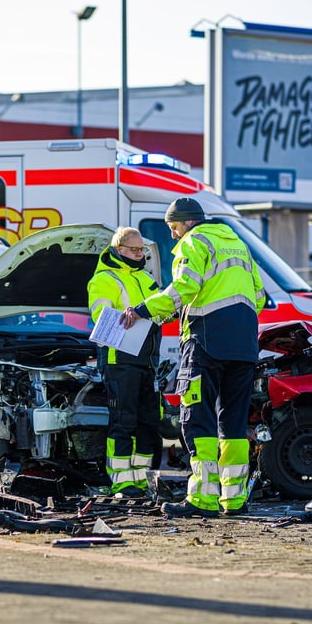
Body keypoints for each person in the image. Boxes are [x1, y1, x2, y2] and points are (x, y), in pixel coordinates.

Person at [122, 198, 265, 517]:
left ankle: (202, 499)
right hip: (244, 344)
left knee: (197, 418)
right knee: (233, 422)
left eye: (173, 228)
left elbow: (185, 288)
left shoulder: (194, 242)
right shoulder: (237, 245)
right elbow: (259, 295)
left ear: (186, 223)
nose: (173, 236)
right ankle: (234, 499)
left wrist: (144, 309)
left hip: (207, 342)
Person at [87, 226, 166, 498]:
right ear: (119, 250)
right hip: (120, 359)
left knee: (148, 422)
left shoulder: (145, 277)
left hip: (147, 360)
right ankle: (121, 482)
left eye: (142, 249)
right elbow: (101, 314)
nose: (140, 254)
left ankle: (141, 480)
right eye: (134, 250)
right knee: (124, 421)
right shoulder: (104, 278)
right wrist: (129, 315)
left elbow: (163, 308)